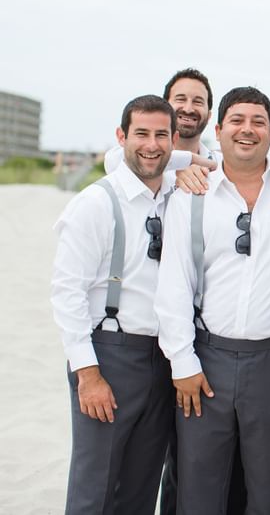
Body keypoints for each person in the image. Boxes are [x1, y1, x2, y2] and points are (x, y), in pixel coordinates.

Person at [155, 86, 270, 514]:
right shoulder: (191, 194)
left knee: (269, 489)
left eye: (258, 122)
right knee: (199, 486)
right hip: (204, 361)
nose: (247, 130)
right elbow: (173, 283)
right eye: (238, 121)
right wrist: (183, 363)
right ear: (219, 127)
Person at [51, 95, 176, 514]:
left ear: (174, 140)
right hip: (109, 356)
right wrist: (87, 374)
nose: (151, 144)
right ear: (121, 137)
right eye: (141, 133)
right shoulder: (95, 203)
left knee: (140, 488)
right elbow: (66, 293)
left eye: (162, 134)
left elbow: (213, 161)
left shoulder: (175, 193)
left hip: (161, 358)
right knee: (95, 488)